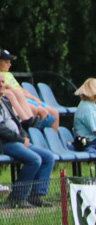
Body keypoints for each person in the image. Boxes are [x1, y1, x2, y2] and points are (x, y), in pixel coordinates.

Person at [0, 75, 56, 208]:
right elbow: (1, 130)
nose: (2, 84)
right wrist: (20, 139)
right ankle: (18, 196)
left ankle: (37, 195)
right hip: (5, 143)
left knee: (48, 157)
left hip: (17, 140)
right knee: (35, 159)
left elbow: (17, 124)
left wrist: (24, 137)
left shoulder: (5, 101)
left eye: (3, 82)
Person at [0, 48, 59, 131]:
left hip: (22, 98)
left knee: (55, 112)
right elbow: (12, 89)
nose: (9, 64)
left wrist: (34, 98)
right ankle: (35, 130)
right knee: (41, 111)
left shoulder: (9, 74)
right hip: (19, 98)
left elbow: (20, 89)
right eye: (6, 62)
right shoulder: (1, 75)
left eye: (10, 62)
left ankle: (52, 140)